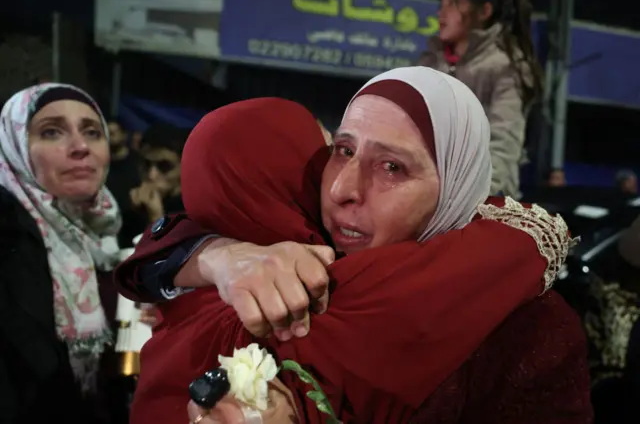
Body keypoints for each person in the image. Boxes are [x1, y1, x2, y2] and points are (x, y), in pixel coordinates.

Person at [120, 68, 591, 423]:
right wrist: (211, 255)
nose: (342, 188)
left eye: (392, 167)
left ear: (455, 185)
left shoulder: (524, 325)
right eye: (342, 150)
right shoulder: (268, 284)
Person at [0, 84, 122, 423]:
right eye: (51, 131)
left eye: (92, 132)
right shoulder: (8, 232)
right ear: (14, 146)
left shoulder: (102, 230)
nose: (80, 147)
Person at [419, 0, 544, 198]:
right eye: (442, 4)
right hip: (431, 195)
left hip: (482, 200)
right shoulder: (430, 63)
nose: (442, 13)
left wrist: (477, 198)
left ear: (484, 11)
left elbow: (504, 143)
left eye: (454, 3)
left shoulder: (505, 67)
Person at [129, 123, 187, 225]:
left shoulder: (197, 212)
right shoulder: (132, 206)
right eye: (146, 165)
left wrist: (156, 218)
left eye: (164, 166)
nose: (151, 175)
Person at [105, 120, 143, 247]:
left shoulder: (138, 162)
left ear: (124, 135)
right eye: (107, 133)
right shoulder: (102, 164)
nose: (110, 137)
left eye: (113, 133)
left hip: (132, 225)